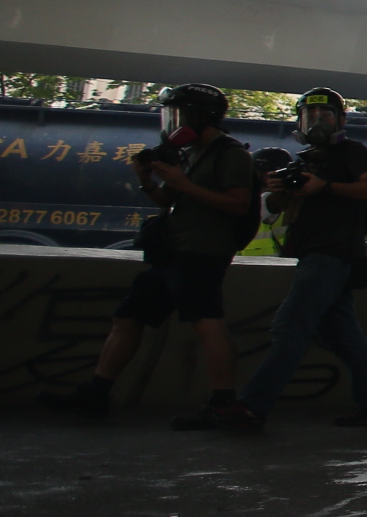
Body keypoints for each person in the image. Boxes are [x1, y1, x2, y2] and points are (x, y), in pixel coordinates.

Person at [38, 84, 256, 426]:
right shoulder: (190, 153)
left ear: (202, 117)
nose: (172, 124)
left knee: (206, 321)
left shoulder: (229, 154)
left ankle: (225, 404)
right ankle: (97, 392)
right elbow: (170, 201)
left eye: (179, 115)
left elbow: (239, 203)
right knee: (128, 317)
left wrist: (184, 185)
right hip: (171, 251)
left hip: (201, 252)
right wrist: (149, 182)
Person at [229, 87, 367, 432]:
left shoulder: (352, 152)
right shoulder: (306, 160)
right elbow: (278, 210)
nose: (318, 122)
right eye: (311, 117)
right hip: (318, 254)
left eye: (326, 116)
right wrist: (282, 192)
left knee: (290, 327)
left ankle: (252, 406)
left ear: (341, 121)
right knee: (342, 335)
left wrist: (324, 186)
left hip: (330, 254)